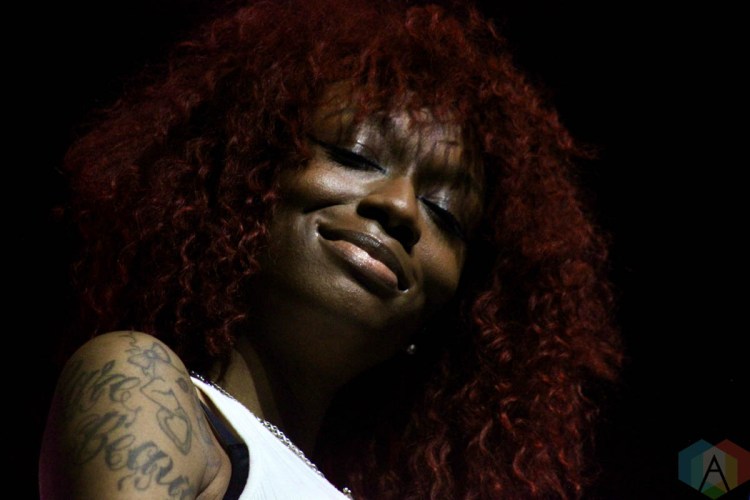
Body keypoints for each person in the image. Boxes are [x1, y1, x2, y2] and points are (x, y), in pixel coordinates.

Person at [39, 0, 622, 498]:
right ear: (245, 184)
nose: (400, 208)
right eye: (355, 156)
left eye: (444, 213)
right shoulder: (144, 386)